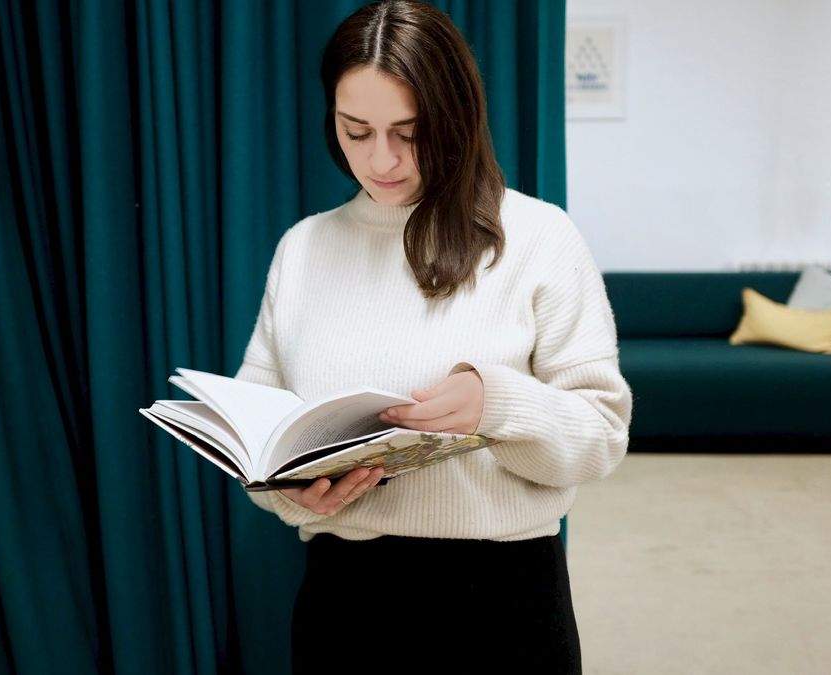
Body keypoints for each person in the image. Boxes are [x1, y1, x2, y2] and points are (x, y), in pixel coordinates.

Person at [234, 1, 632, 673]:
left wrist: (497, 404)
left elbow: (601, 436)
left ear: (455, 118)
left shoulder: (539, 238)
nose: (380, 159)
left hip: (503, 604)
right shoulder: (304, 248)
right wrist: (284, 490)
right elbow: (260, 428)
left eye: (409, 133)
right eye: (355, 131)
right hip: (343, 602)